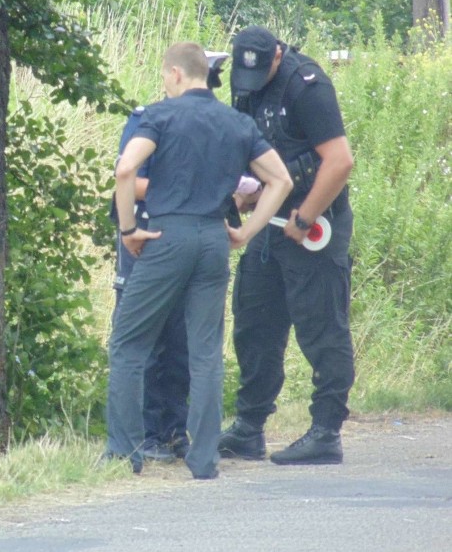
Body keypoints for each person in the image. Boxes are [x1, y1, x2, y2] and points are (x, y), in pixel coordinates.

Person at [106, 41, 292, 478]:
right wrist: (245, 231)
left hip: (167, 236)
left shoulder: (159, 116)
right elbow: (280, 180)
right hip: (213, 238)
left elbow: (124, 170)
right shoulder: (236, 122)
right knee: (206, 351)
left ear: (174, 74)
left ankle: (125, 452)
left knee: (129, 343)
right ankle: (204, 460)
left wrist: (129, 229)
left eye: (164, 77)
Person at [219, 25, 355, 465]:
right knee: (254, 324)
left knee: (321, 327)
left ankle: (325, 432)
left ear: (277, 56)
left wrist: (304, 217)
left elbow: (338, 161)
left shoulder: (308, 87)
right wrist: (244, 190)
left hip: (312, 225)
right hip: (267, 223)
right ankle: (249, 427)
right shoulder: (246, 87)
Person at [111, 51, 236, 462]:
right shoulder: (151, 118)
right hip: (153, 232)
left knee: (186, 342)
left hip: (188, 235)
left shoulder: (219, 121)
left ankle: (175, 430)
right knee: (146, 340)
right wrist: (187, 190)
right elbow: (129, 176)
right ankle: (145, 434)